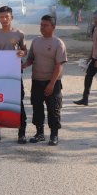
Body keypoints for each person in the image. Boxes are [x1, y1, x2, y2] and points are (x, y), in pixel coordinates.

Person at [24, 14, 67, 146]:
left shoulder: (58, 43)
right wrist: (22, 65)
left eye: (45, 25)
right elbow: (31, 59)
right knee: (37, 108)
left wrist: (51, 84)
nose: (42, 27)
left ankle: (54, 135)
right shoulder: (36, 41)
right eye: (41, 25)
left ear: (53, 27)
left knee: (53, 109)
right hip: (37, 81)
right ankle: (39, 133)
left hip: (52, 82)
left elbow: (59, 65)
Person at [0, 6, 27, 143]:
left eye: (7, 17)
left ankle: (21, 133)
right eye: (2, 17)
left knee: (18, 103)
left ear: (12, 17)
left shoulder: (19, 34)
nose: (4, 19)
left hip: (15, 74)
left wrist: (22, 53)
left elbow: (24, 51)